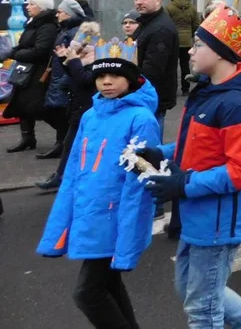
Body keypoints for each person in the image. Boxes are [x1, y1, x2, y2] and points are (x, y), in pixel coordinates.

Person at [136, 3, 241, 328]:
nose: (191, 50)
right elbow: (198, 146)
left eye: (199, 44)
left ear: (222, 53)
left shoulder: (235, 104)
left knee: (203, 308)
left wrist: (184, 184)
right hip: (199, 215)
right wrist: (161, 154)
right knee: (193, 290)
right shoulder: (209, 92)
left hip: (218, 222)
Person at [36, 36, 160, 329]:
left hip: (114, 215)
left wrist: (130, 224)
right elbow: (75, 171)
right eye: (101, 75)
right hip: (89, 212)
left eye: (115, 75)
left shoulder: (141, 118)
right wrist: (64, 215)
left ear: (130, 80)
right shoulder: (91, 115)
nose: (106, 81)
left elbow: (142, 176)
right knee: (108, 286)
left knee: (88, 293)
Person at [37, 22, 100, 191]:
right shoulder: (80, 58)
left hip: (88, 109)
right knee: (70, 144)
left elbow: (84, 80)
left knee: (75, 144)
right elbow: (73, 76)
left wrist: (72, 61)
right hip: (78, 107)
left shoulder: (96, 59)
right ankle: (62, 176)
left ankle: (63, 177)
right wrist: (62, 58)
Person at [3, 0, 62, 154]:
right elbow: (23, 45)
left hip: (40, 72)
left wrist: (15, 54)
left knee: (38, 106)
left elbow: (41, 51)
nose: (27, 7)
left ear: (42, 7)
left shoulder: (48, 26)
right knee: (21, 103)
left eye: (32, 4)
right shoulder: (33, 24)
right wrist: (9, 52)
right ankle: (27, 138)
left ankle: (63, 139)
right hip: (25, 71)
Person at [36, 0, 87, 161]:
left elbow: (76, 58)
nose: (57, 14)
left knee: (58, 112)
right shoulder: (65, 29)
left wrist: (66, 77)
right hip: (59, 77)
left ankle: (64, 145)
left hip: (65, 78)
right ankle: (62, 144)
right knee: (55, 111)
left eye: (60, 11)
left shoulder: (75, 32)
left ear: (69, 14)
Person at [132, 0, 179, 140]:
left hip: (151, 97)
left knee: (149, 146)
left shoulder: (160, 28)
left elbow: (153, 70)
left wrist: (129, 85)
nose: (139, 1)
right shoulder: (148, 23)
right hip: (146, 95)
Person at [166, 0, 200, 96]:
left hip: (173, 41)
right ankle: (186, 89)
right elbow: (196, 25)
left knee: (172, 66)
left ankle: (173, 89)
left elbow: (166, 24)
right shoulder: (192, 8)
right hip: (187, 41)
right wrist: (190, 36)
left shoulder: (169, 7)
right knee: (185, 65)